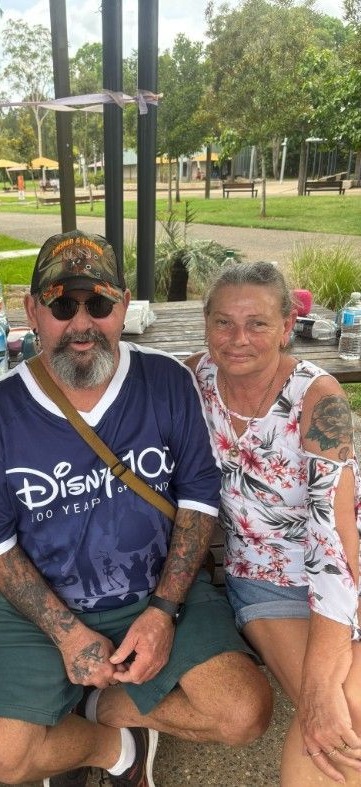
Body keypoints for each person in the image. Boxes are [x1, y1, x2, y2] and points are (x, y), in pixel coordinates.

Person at [0, 230, 273, 787]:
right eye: (61, 304)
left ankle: (94, 710)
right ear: (32, 311)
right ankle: (114, 747)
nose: (81, 324)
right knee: (0, 758)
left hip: (154, 591)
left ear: (124, 307)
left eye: (99, 303)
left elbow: (199, 495)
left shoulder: (165, 381)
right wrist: (64, 633)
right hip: (39, 610)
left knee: (245, 713)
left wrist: (162, 612)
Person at [186, 261, 361, 785]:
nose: (238, 339)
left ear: (287, 327)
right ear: (207, 324)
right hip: (266, 577)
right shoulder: (193, 380)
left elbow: (332, 538)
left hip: (344, 562)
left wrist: (317, 685)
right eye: (224, 322)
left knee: (339, 703)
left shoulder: (317, 398)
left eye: (258, 323)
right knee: (345, 715)